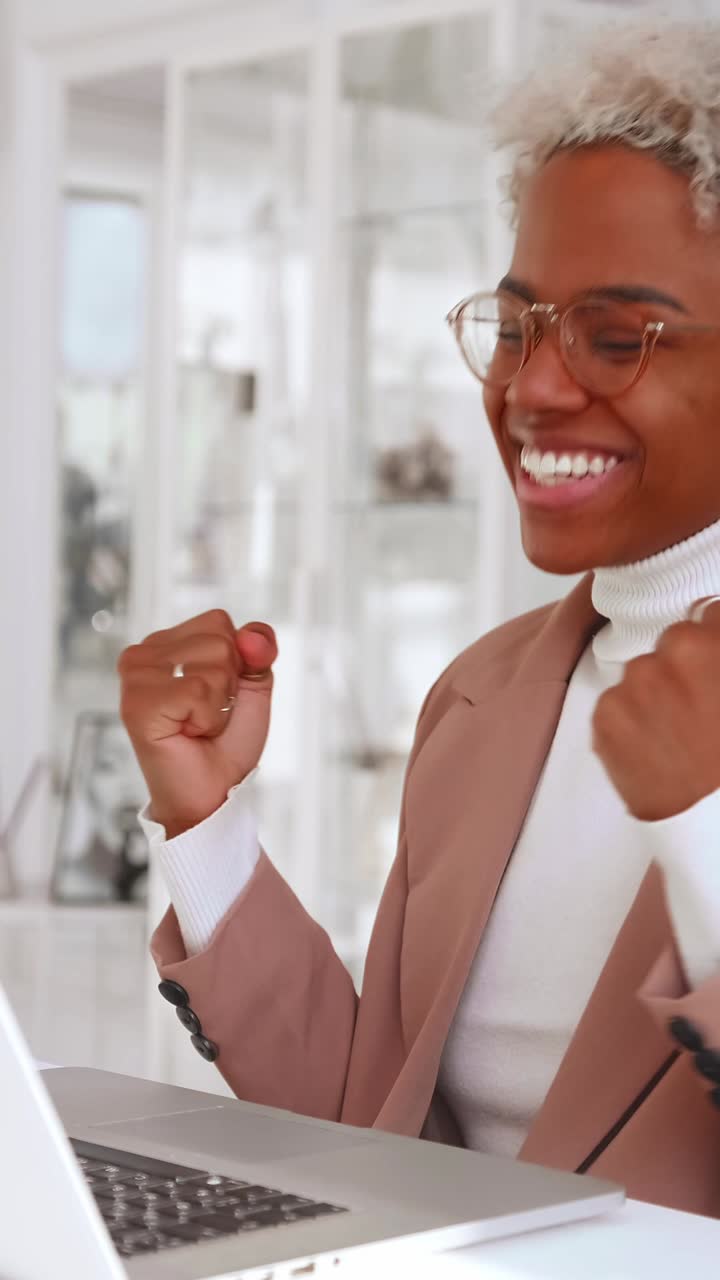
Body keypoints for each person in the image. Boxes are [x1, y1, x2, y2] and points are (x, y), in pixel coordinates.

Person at [119, 19, 720, 1217]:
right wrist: (204, 817)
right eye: (518, 324)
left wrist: (705, 829)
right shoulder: (484, 694)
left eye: (614, 337)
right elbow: (375, 1129)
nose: (534, 388)